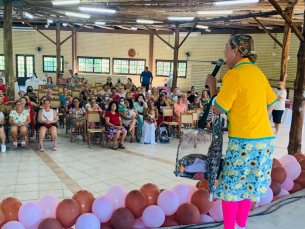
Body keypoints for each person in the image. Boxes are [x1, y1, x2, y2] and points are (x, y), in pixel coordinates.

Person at [205, 34, 278, 229]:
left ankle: (230, 227)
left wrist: (212, 87)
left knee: (230, 187)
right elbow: (272, 102)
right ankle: (241, 225)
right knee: (247, 187)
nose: (224, 52)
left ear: (235, 50)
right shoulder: (257, 72)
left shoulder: (235, 74)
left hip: (244, 142)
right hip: (264, 141)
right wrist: (257, 118)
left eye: (226, 47)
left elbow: (219, 107)